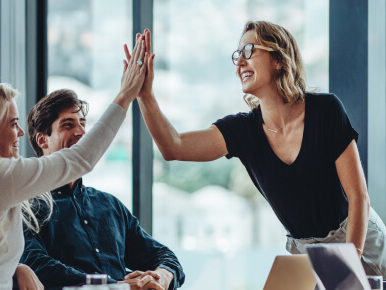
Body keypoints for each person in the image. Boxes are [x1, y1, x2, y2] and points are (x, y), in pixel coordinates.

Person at [130, 23, 386, 277]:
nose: (239, 62)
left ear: (279, 59)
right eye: (237, 55)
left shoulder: (326, 111)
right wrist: (145, 95)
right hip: (308, 256)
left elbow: (358, 197)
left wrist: (346, 267)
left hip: (360, 241)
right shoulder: (243, 131)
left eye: (249, 51)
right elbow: (173, 146)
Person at [0, 37, 148, 289]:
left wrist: (17, 269)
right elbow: (80, 159)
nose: (20, 132)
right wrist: (126, 95)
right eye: (12, 123)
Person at [20, 88, 185, 290]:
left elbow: (164, 256)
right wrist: (119, 286)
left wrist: (161, 277)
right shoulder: (25, 207)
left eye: (82, 123)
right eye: (68, 125)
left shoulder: (109, 205)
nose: (81, 132)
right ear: (42, 140)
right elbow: (39, 267)